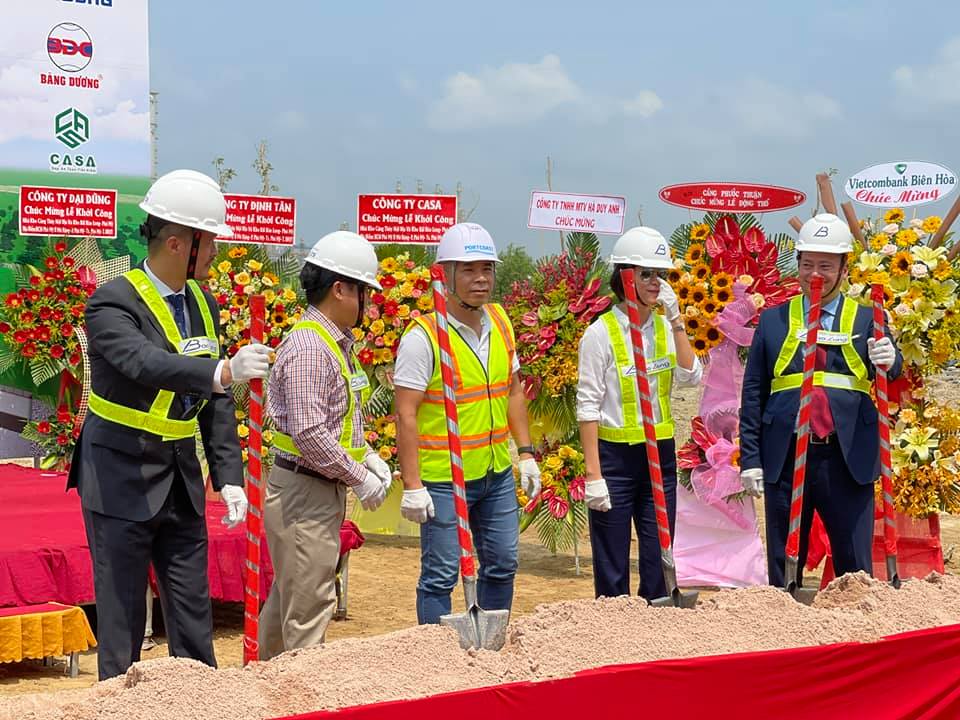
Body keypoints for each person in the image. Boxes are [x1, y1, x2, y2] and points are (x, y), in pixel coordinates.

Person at [68, 169, 271, 680]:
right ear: (179, 243)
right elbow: (143, 363)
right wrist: (222, 371)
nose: (217, 251)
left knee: (193, 615)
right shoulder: (112, 302)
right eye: (210, 241)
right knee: (123, 622)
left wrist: (228, 476)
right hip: (120, 477)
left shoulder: (204, 303)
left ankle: (199, 702)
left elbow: (214, 399)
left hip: (181, 482)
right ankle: (120, 707)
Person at [739, 213, 902, 586]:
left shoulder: (867, 319)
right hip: (785, 455)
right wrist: (750, 459)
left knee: (855, 569)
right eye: (807, 263)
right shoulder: (773, 321)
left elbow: (892, 371)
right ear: (797, 265)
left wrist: (890, 358)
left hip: (847, 458)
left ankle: (856, 622)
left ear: (844, 269)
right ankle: (785, 619)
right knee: (783, 565)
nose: (815, 273)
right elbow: (753, 393)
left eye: (826, 266)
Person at [394, 222, 541, 624]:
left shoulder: (501, 322)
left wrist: (526, 453)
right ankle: (438, 653)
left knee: (503, 562)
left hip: (495, 472)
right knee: (441, 574)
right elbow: (406, 413)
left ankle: (490, 645)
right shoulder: (424, 337)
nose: (481, 279)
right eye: (469, 270)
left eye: (487, 269)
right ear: (446, 274)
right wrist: (413, 485)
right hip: (443, 477)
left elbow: (513, 390)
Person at [259, 231, 391, 659]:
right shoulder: (312, 348)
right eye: (363, 292)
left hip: (312, 489)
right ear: (339, 289)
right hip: (305, 492)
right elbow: (310, 433)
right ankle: (296, 691)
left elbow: (336, 421)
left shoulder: (330, 344)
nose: (367, 304)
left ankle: (265, 683)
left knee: (291, 599)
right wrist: (360, 477)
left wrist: (367, 456)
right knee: (308, 607)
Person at [576, 226, 702, 601]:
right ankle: (614, 625)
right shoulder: (600, 333)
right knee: (612, 560)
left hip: (659, 456)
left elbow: (691, 376)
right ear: (624, 276)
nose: (655, 283)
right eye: (646, 274)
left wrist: (677, 321)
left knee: (659, 553)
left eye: (659, 274)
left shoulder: (664, 328)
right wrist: (594, 475)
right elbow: (587, 406)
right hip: (615, 460)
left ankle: (656, 621)